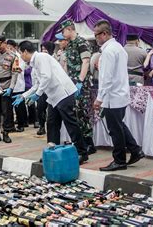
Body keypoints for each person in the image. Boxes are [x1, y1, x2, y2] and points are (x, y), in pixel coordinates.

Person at [13, 40, 88, 164]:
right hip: (54, 97)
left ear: (25, 52)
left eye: (20, 53)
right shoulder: (34, 63)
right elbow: (37, 83)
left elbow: (46, 77)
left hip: (63, 93)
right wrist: (23, 96)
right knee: (52, 123)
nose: (20, 56)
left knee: (70, 123)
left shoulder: (41, 57)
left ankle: (82, 153)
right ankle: (53, 150)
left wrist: (37, 95)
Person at [92, 20, 144, 171]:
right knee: (119, 125)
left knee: (115, 129)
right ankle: (135, 149)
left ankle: (119, 160)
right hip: (119, 93)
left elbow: (106, 78)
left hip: (112, 96)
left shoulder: (109, 51)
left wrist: (100, 98)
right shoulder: (118, 48)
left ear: (105, 34)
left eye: (97, 35)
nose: (96, 38)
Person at [60, 20, 95, 155]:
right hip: (72, 83)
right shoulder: (69, 45)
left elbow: (86, 62)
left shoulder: (81, 42)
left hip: (81, 83)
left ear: (69, 29)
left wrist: (80, 81)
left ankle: (89, 144)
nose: (63, 34)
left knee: (83, 113)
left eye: (63, 31)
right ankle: (82, 143)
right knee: (76, 113)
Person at [36, 41, 56, 135]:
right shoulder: (39, 61)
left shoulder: (54, 59)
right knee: (40, 108)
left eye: (46, 49)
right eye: (42, 49)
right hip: (42, 90)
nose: (44, 51)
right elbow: (37, 78)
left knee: (52, 112)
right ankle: (41, 126)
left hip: (53, 90)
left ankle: (52, 130)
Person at [6, 39, 24, 132]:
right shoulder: (6, 56)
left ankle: (21, 125)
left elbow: (20, 69)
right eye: (7, 47)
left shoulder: (18, 56)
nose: (9, 49)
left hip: (18, 85)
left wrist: (13, 69)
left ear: (15, 47)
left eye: (10, 48)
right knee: (9, 107)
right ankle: (10, 125)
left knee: (19, 107)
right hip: (9, 86)